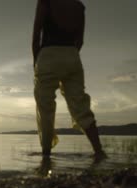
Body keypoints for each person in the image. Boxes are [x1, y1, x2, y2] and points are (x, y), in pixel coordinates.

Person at [32, 0, 106, 159]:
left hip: (48, 55)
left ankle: (46, 155)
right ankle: (99, 151)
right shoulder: (79, 6)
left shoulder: (46, 1)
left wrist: (36, 61)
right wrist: (70, 55)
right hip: (72, 55)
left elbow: (36, 34)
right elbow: (80, 40)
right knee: (81, 106)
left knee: (45, 108)